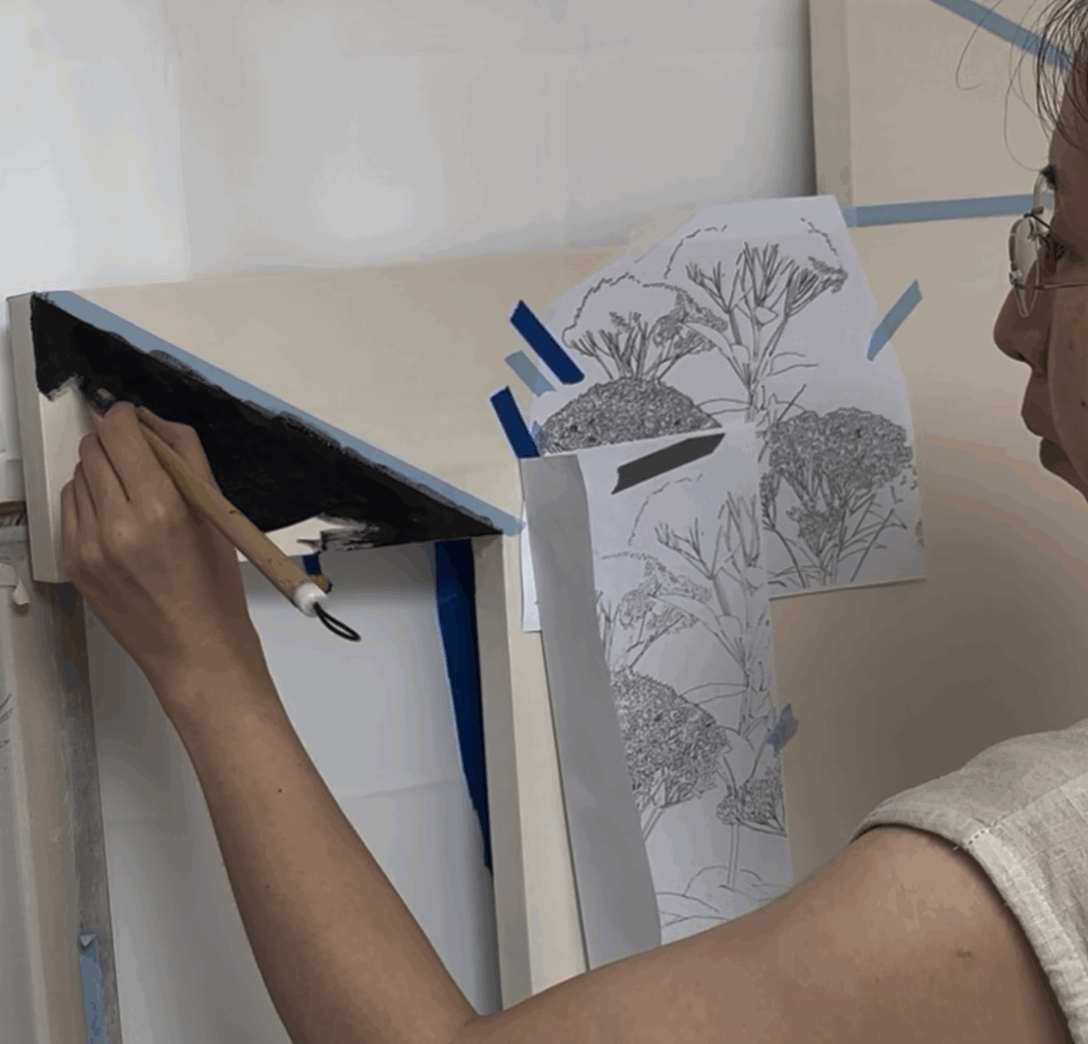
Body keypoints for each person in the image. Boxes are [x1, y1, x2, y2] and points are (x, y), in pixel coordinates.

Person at [57, 3, 1088, 1038]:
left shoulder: (1016, 868)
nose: (1016, 319)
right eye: (1035, 238)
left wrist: (209, 671)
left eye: (1066, 248)